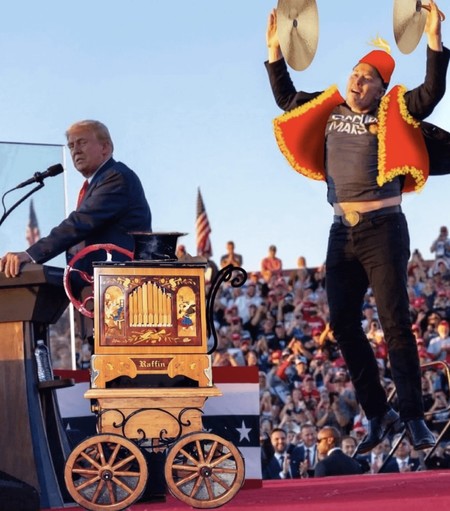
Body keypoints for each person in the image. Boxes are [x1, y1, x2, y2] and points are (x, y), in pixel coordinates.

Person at [265, 1, 449, 453]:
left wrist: (432, 38)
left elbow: (430, 93)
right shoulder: (329, 111)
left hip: (384, 228)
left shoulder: (395, 111)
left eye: (366, 77)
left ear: (382, 87)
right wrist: (274, 51)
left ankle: (412, 417)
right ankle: (379, 414)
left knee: (396, 325)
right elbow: (288, 100)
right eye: (353, 73)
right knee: (343, 325)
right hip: (340, 232)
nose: (355, 81)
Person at [0, 120, 151, 342]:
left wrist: (30, 255)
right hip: (99, 293)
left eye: (81, 142)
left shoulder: (117, 178)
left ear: (105, 147)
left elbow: (80, 223)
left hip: (121, 292)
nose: (75, 150)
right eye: (71, 146)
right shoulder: (97, 183)